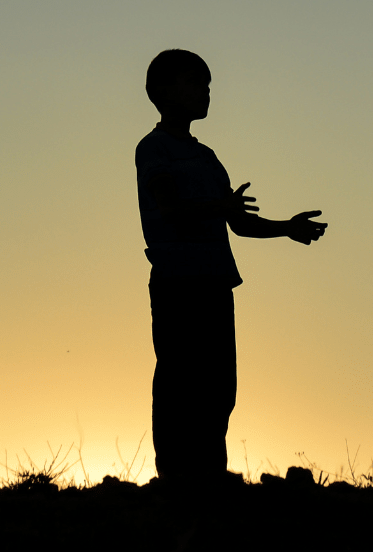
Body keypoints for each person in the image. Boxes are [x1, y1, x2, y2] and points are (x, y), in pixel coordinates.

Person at [135, 49, 328, 490]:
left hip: (216, 282)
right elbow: (168, 208)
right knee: (180, 379)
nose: (204, 91)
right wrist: (218, 206)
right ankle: (177, 476)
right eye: (193, 82)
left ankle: (209, 474)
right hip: (176, 283)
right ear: (162, 91)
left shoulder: (207, 157)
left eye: (207, 84)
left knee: (219, 384)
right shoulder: (153, 149)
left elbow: (238, 222)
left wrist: (286, 228)